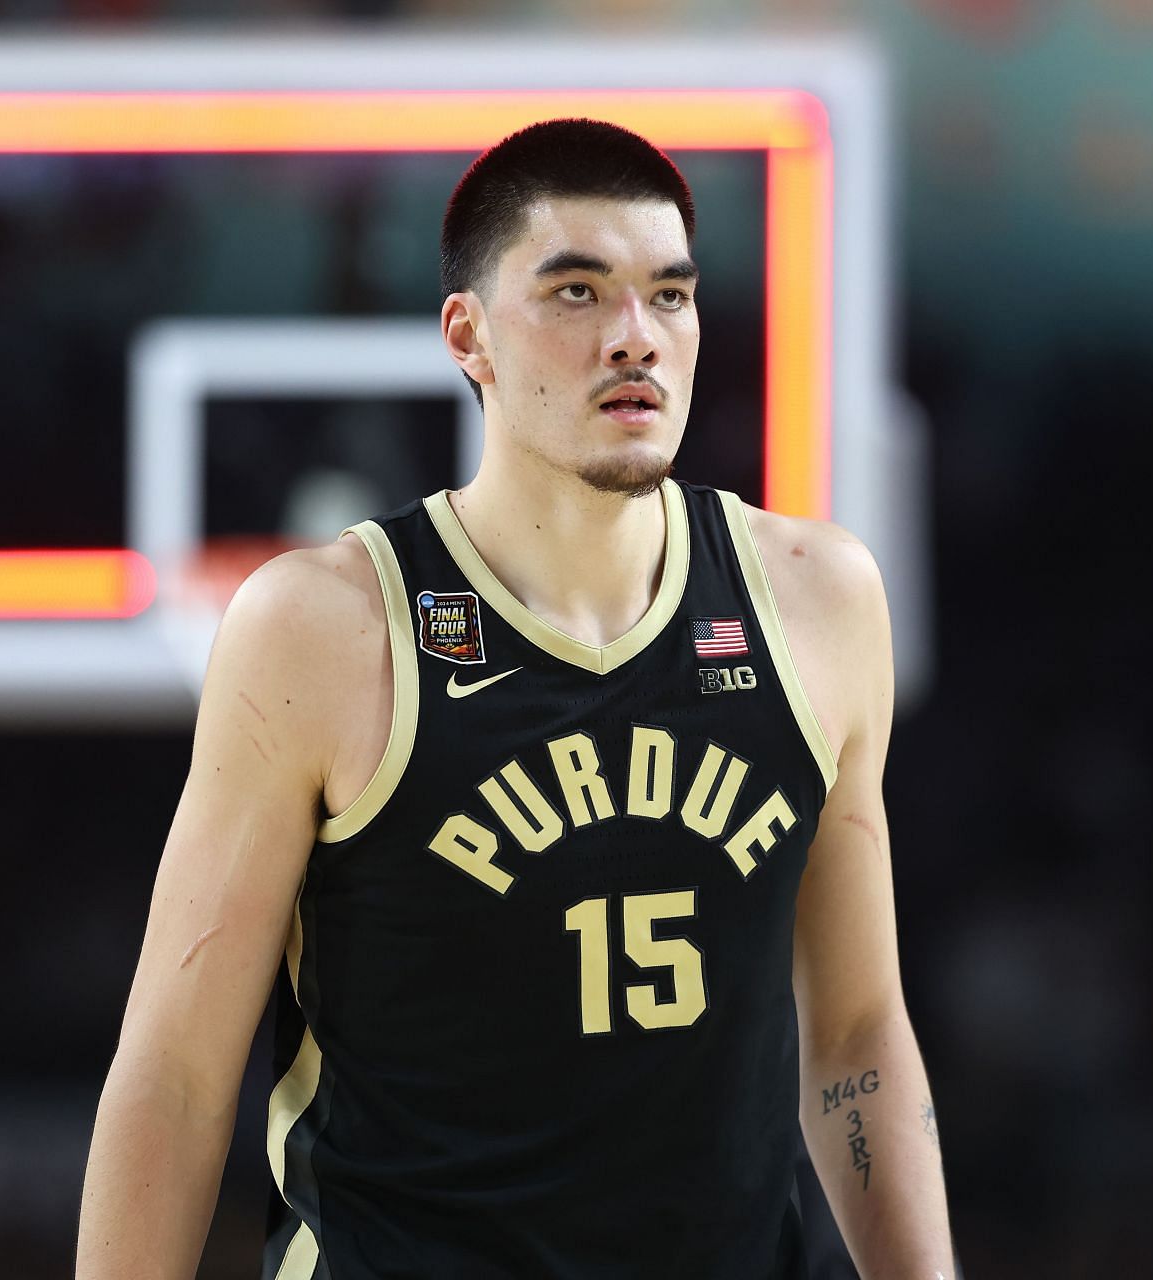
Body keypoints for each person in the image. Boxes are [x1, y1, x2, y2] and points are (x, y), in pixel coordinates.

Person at [76, 118, 955, 1280]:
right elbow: (178, 1068)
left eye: (670, 296)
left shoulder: (818, 598)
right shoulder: (324, 628)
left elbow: (853, 1035)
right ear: (469, 335)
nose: (636, 336)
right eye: (578, 292)